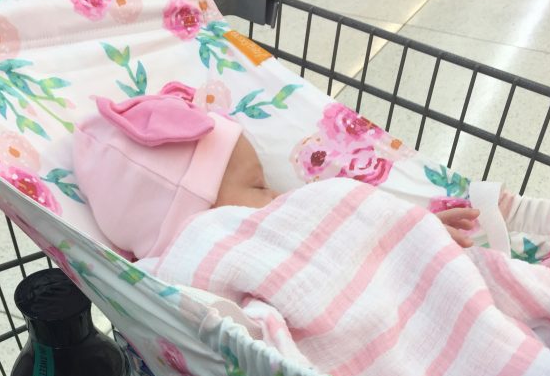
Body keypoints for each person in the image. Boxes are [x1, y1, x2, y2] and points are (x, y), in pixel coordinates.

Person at [73, 88, 480, 260]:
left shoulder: (273, 226)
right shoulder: (212, 260)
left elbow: (343, 228)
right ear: (197, 212)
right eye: (258, 185)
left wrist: (408, 231)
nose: (277, 195)